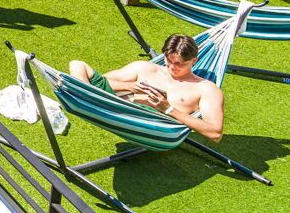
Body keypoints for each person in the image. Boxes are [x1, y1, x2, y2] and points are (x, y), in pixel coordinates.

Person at [69, 32, 226, 141]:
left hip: (152, 127)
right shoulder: (146, 68)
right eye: (168, 60)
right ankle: (85, 101)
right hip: (119, 111)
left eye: (179, 64)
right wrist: (131, 87)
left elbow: (214, 133)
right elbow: (102, 82)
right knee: (77, 65)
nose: (172, 67)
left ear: (194, 61)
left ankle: (83, 101)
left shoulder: (206, 88)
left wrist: (169, 109)